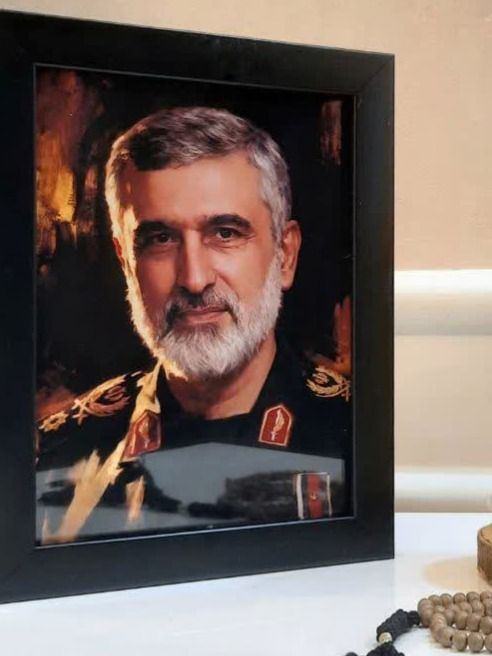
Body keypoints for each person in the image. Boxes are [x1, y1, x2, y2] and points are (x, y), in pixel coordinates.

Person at [36, 107, 351, 544]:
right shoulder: (57, 454)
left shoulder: (354, 438)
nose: (194, 278)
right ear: (126, 263)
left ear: (285, 255)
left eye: (225, 233)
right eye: (160, 239)